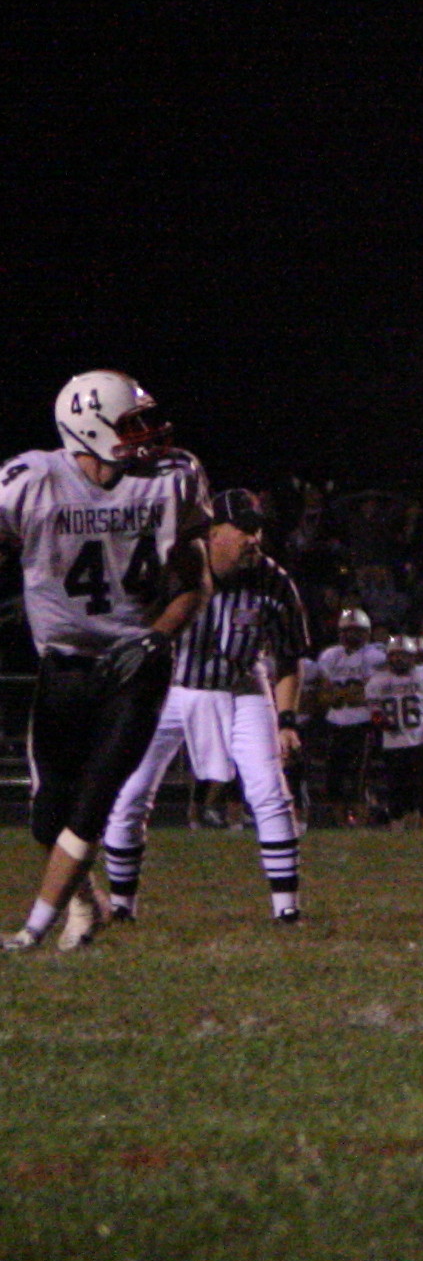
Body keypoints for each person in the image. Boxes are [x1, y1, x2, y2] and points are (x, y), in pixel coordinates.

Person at [0, 372, 214, 951]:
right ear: (87, 426)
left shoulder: (172, 478)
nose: (147, 434)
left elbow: (195, 584)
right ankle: (83, 901)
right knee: (48, 818)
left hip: (136, 662)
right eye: (131, 424)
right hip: (65, 663)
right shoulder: (31, 480)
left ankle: (32, 930)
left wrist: (157, 638)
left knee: (94, 801)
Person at [100, 488, 311, 925]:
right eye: (243, 529)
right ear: (214, 532)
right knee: (130, 792)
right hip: (170, 686)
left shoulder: (274, 580)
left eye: (257, 530)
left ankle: (286, 907)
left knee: (269, 791)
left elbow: (289, 657)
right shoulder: (173, 568)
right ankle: (121, 906)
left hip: (240, 685)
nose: (253, 539)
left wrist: (287, 720)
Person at [306, 605, 387, 827]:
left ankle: (360, 823)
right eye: (346, 630)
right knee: (333, 778)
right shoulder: (330, 655)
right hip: (335, 723)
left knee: (359, 778)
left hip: (362, 724)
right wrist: (344, 695)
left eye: (356, 630)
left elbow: (367, 694)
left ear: (367, 633)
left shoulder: (375, 655)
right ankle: (342, 825)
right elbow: (324, 696)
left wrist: (340, 695)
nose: (351, 635)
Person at [364, 637, 423, 828]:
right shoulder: (377, 680)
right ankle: (399, 829)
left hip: (420, 741)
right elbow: (374, 712)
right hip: (392, 743)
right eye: (394, 655)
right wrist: (382, 723)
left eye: (403, 655)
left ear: (413, 657)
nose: (398, 659)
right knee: (397, 791)